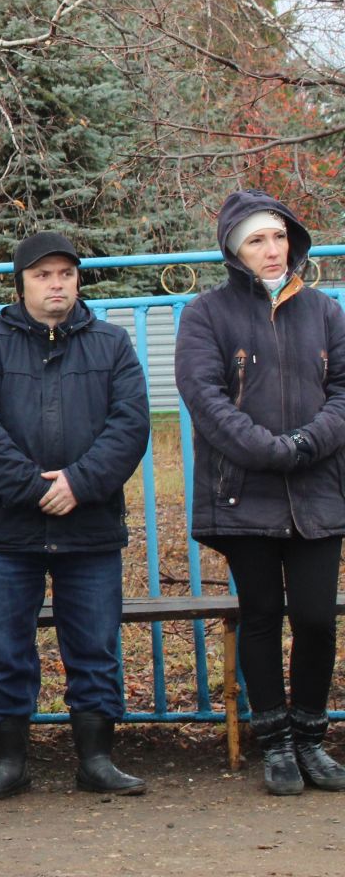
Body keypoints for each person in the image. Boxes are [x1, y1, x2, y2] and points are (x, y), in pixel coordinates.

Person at [0, 232, 149, 801]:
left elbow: (130, 425)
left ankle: (95, 760)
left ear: (78, 280)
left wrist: (79, 484)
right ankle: (9, 764)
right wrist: (32, 489)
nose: (56, 284)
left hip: (89, 527)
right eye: (43, 275)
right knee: (6, 647)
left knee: (94, 647)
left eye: (65, 273)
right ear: (21, 283)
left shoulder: (112, 345)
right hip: (10, 530)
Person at [176, 190, 345, 795]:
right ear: (234, 251)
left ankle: (310, 739)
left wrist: (305, 444)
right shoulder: (207, 315)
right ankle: (273, 742)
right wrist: (271, 451)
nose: (272, 251)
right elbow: (206, 401)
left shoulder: (325, 311)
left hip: (319, 492)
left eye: (278, 237)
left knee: (317, 618)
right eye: (256, 240)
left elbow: (344, 394)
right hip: (241, 494)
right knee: (263, 616)